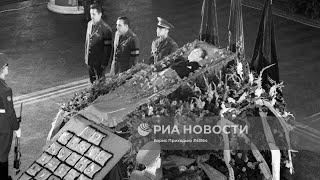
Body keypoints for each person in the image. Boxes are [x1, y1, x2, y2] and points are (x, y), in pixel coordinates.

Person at [0, 57, 20, 180]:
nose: (8, 67)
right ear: (2, 68)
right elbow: (9, 113)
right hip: (3, 126)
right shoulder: (5, 90)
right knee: (3, 154)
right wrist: (17, 127)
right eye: (6, 65)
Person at [84, 4, 112, 83]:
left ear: (100, 14)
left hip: (99, 63)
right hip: (89, 60)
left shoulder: (106, 29)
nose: (92, 16)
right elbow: (87, 41)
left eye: (94, 14)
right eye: (91, 14)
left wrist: (104, 63)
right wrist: (86, 57)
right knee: (92, 81)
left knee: (100, 83)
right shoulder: (89, 24)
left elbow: (108, 49)